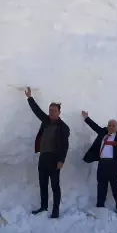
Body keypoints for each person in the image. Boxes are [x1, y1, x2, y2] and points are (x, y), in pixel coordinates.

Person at [24, 87, 70, 218]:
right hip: (43, 157)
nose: (51, 112)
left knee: (55, 185)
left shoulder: (63, 127)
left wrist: (61, 160)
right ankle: (43, 207)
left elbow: (65, 145)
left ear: (59, 112)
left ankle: (56, 210)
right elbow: (37, 111)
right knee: (43, 184)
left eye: (54, 110)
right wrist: (29, 97)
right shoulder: (46, 121)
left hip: (54, 159)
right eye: (50, 110)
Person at [81, 111, 117, 213]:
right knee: (101, 186)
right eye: (109, 125)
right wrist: (86, 118)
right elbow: (95, 127)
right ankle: (100, 206)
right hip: (102, 164)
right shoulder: (103, 133)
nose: (111, 127)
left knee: (115, 187)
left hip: (113, 166)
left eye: (113, 126)